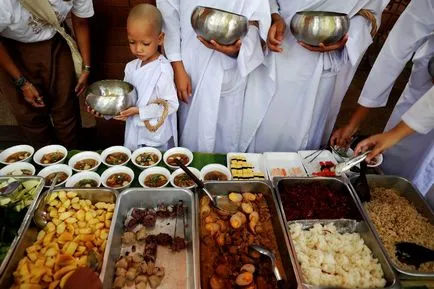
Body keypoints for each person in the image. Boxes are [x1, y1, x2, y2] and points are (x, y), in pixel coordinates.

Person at [239, 0, 388, 153]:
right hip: (276, 44)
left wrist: (344, 35)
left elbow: (370, 13)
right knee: (258, 124)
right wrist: (273, 16)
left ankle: (294, 174)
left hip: (320, 63)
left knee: (302, 134)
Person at [331, 0, 434, 195]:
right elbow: (394, 52)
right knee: (395, 168)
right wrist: (355, 122)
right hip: (425, 79)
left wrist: (394, 134)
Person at [157, 0, 271, 153]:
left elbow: (257, 23)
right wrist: (177, 66)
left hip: (231, 69)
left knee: (227, 140)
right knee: (193, 135)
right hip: (191, 70)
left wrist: (237, 51)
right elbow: (169, 19)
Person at [0, 0, 93, 149]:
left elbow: (81, 21)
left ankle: (74, 158)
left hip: (55, 40)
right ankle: (46, 162)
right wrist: (22, 82)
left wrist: (86, 67)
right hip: (13, 51)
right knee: (30, 116)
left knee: (66, 109)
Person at [88, 4, 178, 151]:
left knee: (156, 168)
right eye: (132, 42)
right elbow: (125, 100)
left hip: (155, 134)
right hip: (134, 131)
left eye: (145, 43)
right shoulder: (131, 67)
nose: (138, 49)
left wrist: (139, 111)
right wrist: (104, 110)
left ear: (160, 38)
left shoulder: (163, 69)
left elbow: (171, 105)